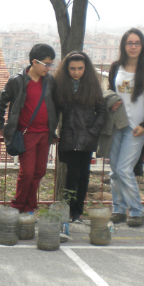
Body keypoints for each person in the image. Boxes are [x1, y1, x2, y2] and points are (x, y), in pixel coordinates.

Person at [0, 43, 58, 215]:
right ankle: (18, 205)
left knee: (39, 171)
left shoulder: (50, 81)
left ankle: (29, 206)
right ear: (34, 62)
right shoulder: (17, 80)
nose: (48, 67)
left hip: (45, 134)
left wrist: (53, 130)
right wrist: (1, 125)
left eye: (50, 64)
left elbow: (54, 107)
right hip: (26, 134)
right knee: (27, 172)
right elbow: (1, 102)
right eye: (46, 64)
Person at [107, 28, 144, 227]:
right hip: (117, 125)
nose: (133, 46)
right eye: (130, 43)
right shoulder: (115, 67)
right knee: (114, 170)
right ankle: (118, 209)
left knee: (124, 169)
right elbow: (110, 91)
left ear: (142, 46)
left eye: (137, 43)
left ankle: (137, 211)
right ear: (124, 46)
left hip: (137, 127)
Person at [54, 52, 107, 222]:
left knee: (84, 176)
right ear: (67, 69)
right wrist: (53, 130)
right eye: (72, 69)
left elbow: (102, 111)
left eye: (80, 68)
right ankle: (68, 211)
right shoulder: (61, 85)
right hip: (69, 136)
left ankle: (78, 212)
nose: (76, 72)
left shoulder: (92, 85)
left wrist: (94, 130)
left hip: (87, 137)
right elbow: (54, 110)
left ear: (86, 69)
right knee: (72, 175)